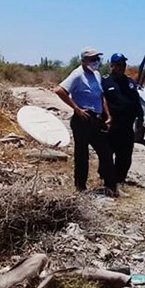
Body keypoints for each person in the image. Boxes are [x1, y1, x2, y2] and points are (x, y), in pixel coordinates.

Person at [52, 47, 117, 196]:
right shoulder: (77, 74)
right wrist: (76, 108)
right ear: (83, 60)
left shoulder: (96, 74)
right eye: (92, 59)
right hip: (83, 119)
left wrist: (108, 115)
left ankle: (111, 186)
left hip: (97, 119)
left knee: (106, 152)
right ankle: (80, 187)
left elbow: (101, 96)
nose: (96, 61)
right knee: (82, 155)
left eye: (97, 58)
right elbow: (59, 90)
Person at [102, 53, 143, 184]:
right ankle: (105, 177)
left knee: (125, 156)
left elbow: (136, 101)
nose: (122, 67)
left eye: (124, 64)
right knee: (106, 154)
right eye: (119, 64)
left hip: (126, 126)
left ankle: (119, 180)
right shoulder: (105, 81)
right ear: (112, 66)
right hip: (111, 126)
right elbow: (100, 100)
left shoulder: (130, 83)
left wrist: (140, 117)